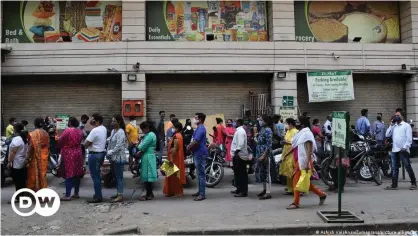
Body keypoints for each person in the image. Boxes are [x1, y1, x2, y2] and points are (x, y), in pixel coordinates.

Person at [282, 116, 327, 209]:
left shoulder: (307, 134)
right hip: (299, 160)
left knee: (296, 181)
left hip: (304, 161)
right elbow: (295, 146)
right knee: (303, 182)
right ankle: (321, 194)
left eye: (298, 122)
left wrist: (306, 163)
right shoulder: (300, 133)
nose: (296, 123)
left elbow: (309, 150)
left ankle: (296, 202)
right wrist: (286, 154)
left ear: (302, 124)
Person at [385, 110, 417, 190]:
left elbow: (409, 138)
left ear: (402, 116)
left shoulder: (406, 125)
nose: (396, 117)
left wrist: (405, 147)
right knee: (394, 167)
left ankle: (413, 183)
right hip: (395, 149)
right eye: (395, 115)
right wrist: (391, 125)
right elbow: (387, 135)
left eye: (398, 115)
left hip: (403, 150)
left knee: (407, 166)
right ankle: (394, 185)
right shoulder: (394, 126)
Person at [57, 117, 84, 201]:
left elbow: (60, 141)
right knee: (77, 173)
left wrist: (61, 146)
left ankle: (68, 195)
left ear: (70, 122)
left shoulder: (67, 130)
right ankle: (76, 193)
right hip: (78, 152)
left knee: (69, 173)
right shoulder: (80, 131)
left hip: (69, 153)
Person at [85, 113, 107, 203]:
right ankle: (98, 194)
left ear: (97, 121)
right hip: (101, 153)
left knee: (95, 177)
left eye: (93, 119)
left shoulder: (94, 131)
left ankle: (98, 196)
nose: (92, 121)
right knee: (97, 175)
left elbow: (86, 143)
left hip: (94, 154)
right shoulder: (104, 128)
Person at [106, 115, 127, 203]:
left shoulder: (121, 132)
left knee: (119, 177)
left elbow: (119, 145)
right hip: (113, 157)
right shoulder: (113, 131)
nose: (112, 123)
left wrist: (110, 152)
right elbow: (111, 141)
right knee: (116, 176)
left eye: (114, 121)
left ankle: (120, 195)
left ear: (119, 122)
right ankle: (118, 193)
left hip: (119, 157)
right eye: (112, 121)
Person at [187, 113, 208, 201]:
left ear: (199, 119)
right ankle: (200, 191)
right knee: (199, 174)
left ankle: (202, 194)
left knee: (201, 174)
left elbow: (196, 141)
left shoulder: (201, 128)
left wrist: (189, 147)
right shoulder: (199, 128)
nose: (194, 119)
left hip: (199, 152)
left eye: (195, 118)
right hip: (197, 152)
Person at [7, 123, 28, 204]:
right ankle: (21, 196)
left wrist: (9, 162)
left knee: (17, 181)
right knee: (22, 180)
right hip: (22, 162)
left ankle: (18, 197)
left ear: (15, 130)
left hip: (16, 163)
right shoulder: (24, 138)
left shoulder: (16, 139)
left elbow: (12, 152)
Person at [27, 117, 50, 192]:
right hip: (44, 156)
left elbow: (30, 146)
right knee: (43, 175)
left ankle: (35, 192)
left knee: (34, 175)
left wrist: (27, 157)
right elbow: (48, 145)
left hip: (35, 157)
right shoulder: (46, 133)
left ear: (34, 124)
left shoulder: (32, 134)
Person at [164, 122, 186, 197]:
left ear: (177, 128)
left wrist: (171, 160)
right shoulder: (179, 135)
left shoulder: (176, 136)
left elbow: (175, 148)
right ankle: (172, 191)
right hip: (175, 158)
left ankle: (176, 192)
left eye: (173, 127)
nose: (172, 128)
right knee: (173, 176)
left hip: (174, 158)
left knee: (173, 176)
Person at [255, 114, 274, 200]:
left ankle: (268, 192)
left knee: (267, 173)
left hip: (265, 154)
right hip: (259, 153)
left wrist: (264, 155)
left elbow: (269, 145)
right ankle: (264, 189)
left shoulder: (268, 130)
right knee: (262, 172)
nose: (259, 121)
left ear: (266, 121)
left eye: (261, 120)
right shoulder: (262, 129)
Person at [138, 121, 158, 201]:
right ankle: (149, 193)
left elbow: (141, 146)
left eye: (142, 129)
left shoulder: (150, 135)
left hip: (148, 156)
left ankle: (149, 194)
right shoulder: (149, 134)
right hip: (148, 155)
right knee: (147, 176)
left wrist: (138, 145)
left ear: (146, 128)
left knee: (147, 176)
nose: (142, 131)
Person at [279, 118, 299, 195]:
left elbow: (295, 143)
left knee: (292, 171)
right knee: (288, 171)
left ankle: (296, 188)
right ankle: (290, 188)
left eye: (286, 123)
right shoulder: (288, 131)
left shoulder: (296, 132)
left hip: (292, 153)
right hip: (286, 152)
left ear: (290, 124)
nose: (285, 125)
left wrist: (286, 142)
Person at [230, 119, 249, 197]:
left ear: (239, 123)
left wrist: (236, 153)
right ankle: (239, 189)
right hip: (237, 155)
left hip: (240, 155)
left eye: (236, 122)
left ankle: (243, 191)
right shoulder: (238, 131)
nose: (234, 123)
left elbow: (240, 144)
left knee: (241, 174)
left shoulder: (241, 131)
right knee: (237, 173)